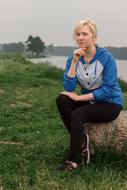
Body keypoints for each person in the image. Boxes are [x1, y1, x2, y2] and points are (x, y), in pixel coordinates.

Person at [56, 19, 123, 171]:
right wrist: (74, 61)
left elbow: (108, 90)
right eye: (77, 34)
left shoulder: (107, 57)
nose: (80, 37)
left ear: (94, 37)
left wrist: (79, 98)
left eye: (85, 34)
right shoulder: (73, 57)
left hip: (110, 103)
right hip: (91, 102)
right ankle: (82, 144)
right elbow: (69, 87)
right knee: (62, 99)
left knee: (78, 114)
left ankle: (73, 161)